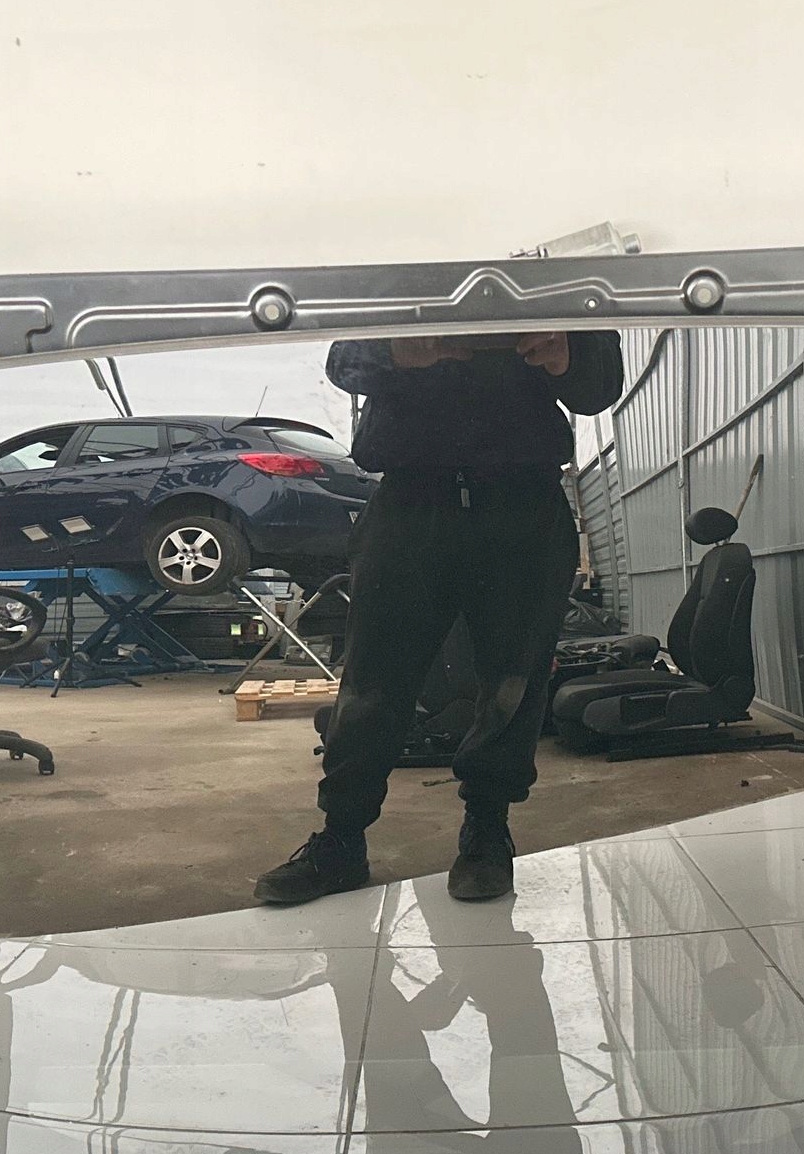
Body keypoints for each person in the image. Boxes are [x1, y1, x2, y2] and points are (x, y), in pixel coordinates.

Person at [255, 328, 625, 906]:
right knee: (372, 677)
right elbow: (343, 362)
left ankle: (487, 830)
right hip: (410, 499)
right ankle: (342, 837)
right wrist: (399, 351)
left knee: (513, 679)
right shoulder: (400, 290)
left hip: (522, 503)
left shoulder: (556, 292)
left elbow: (602, 386)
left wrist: (564, 353)